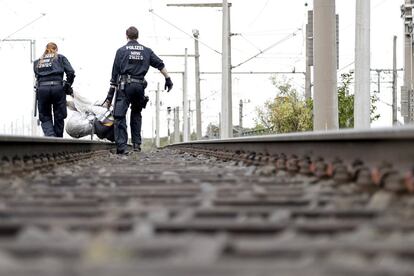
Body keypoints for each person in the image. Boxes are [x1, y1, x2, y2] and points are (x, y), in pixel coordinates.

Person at [104, 26, 173, 154]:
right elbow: (160, 64)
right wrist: (168, 79)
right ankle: (136, 144)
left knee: (119, 116)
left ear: (127, 36)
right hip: (139, 87)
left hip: (125, 87)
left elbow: (114, 76)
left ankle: (122, 147)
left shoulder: (121, 51)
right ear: (137, 36)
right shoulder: (146, 51)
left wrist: (109, 96)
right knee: (136, 113)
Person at [33, 42, 75, 137]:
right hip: (58, 88)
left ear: (45, 49)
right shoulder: (60, 58)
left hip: (42, 89)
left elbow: (37, 76)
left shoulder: (38, 61)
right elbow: (71, 72)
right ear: (56, 49)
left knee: (44, 114)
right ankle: (58, 139)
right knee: (59, 115)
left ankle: (51, 136)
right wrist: (68, 85)